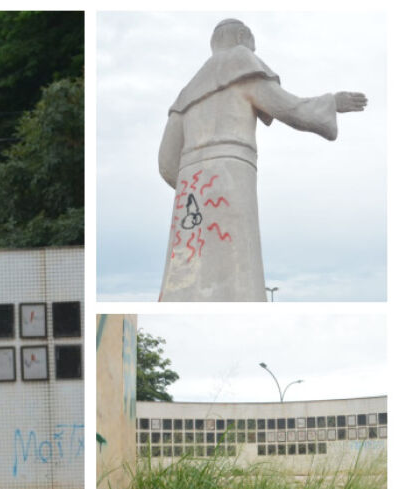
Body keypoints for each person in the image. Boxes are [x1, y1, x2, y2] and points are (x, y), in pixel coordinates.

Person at [157, 18, 367, 302]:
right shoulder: (242, 65)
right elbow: (291, 109)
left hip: (191, 190)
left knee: (186, 267)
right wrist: (332, 102)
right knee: (238, 263)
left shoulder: (187, 93)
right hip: (231, 176)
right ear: (243, 37)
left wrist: (192, 186)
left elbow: (167, 163)